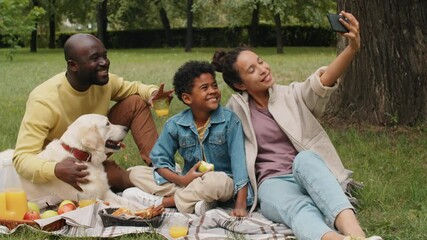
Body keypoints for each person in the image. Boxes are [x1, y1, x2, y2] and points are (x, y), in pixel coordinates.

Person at [211, 11, 382, 240]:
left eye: (260, 61)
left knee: (306, 158)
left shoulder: (290, 94)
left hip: (307, 173)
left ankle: (358, 236)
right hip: (272, 184)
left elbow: (321, 82)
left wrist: (352, 48)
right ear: (240, 84)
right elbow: (211, 137)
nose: (263, 69)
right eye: (252, 70)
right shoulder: (233, 112)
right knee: (300, 210)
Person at [13, 33, 173, 199]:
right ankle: (152, 185)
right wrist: (55, 169)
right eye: (95, 58)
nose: (104, 63)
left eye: (105, 55)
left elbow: (135, 88)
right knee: (121, 180)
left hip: (95, 148)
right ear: (73, 65)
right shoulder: (43, 100)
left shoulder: (103, 82)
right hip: (66, 168)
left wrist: (153, 93)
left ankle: (162, 168)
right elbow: (22, 159)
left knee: (135, 102)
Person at [122, 60, 252, 216]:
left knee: (216, 182)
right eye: (205, 88)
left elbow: (239, 165)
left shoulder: (230, 121)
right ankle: (199, 203)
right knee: (135, 173)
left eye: (214, 85)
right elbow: (159, 160)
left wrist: (240, 204)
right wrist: (182, 180)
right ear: (187, 98)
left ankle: (165, 202)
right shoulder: (175, 124)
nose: (213, 91)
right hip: (188, 182)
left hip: (222, 183)